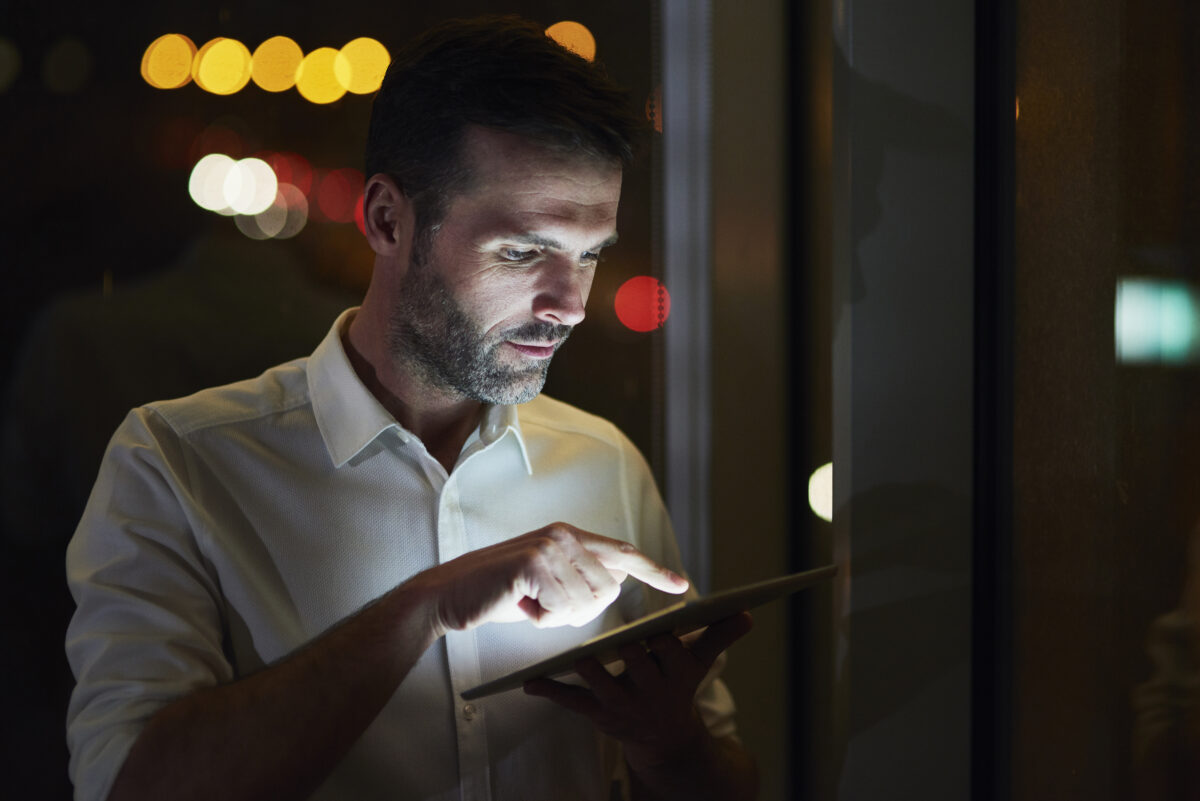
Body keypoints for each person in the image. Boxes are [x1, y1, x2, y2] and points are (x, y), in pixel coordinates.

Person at [65, 16, 758, 801]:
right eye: (525, 250)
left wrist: (668, 745)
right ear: (388, 220)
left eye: (589, 254)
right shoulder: (177, 462)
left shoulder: (603, 462)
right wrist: (429, 604)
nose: (570, 305)